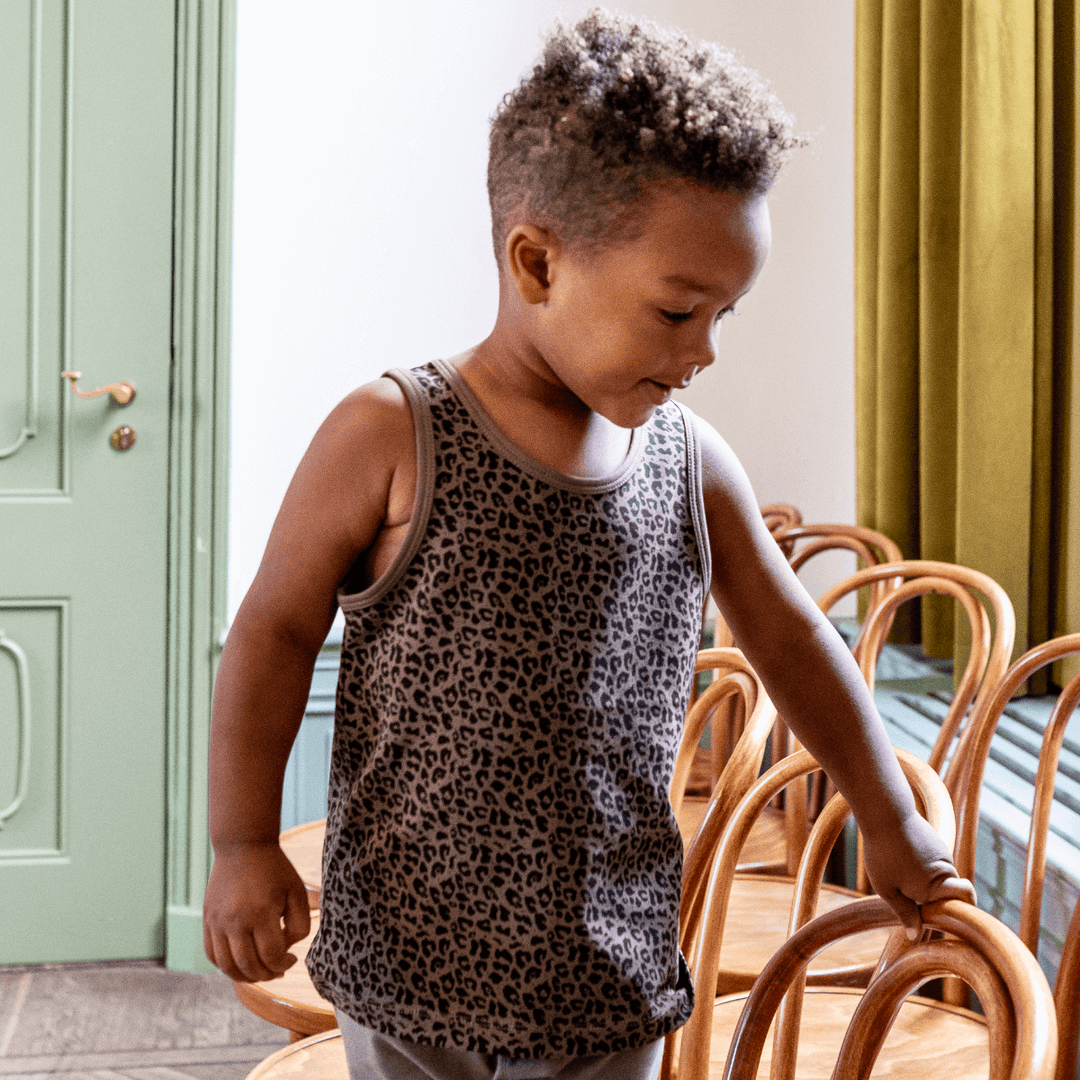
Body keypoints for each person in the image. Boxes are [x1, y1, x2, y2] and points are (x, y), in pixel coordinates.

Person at [203, 10, 976, 1079]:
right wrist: (243, 843)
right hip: (410, 967)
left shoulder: (692, 464)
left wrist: (884, 811)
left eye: (725, 316)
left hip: (605, 978)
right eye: (677, 312)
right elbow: (275, 632)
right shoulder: (390, 435)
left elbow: (795, 641)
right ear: (536, 263)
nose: (705, 351)